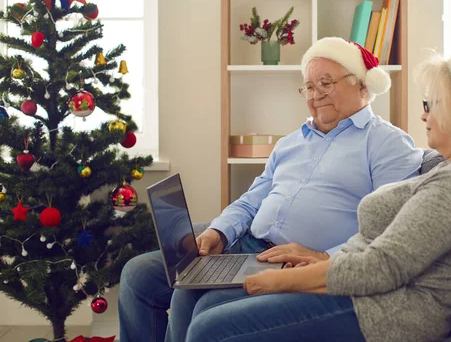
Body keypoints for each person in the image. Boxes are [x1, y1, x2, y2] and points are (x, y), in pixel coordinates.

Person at [177, 47, 451, 342]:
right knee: (198, 302)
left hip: (384, 310)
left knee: (210, 326)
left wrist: (277, 280)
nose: (423, 116)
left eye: (432, 105)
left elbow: (382, 267)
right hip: (359, 285)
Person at [118, 37, 424, 342]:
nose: (316, 95)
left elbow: (388, 230)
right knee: (138, 276)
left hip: (296, 262)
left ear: (362, 85)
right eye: (309, 87)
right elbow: (251, 201)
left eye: (326, 83)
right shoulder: (290, 142)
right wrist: (220, 232)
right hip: (247, 244)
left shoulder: (389, 144)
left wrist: (323, 258)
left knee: (195, 301)